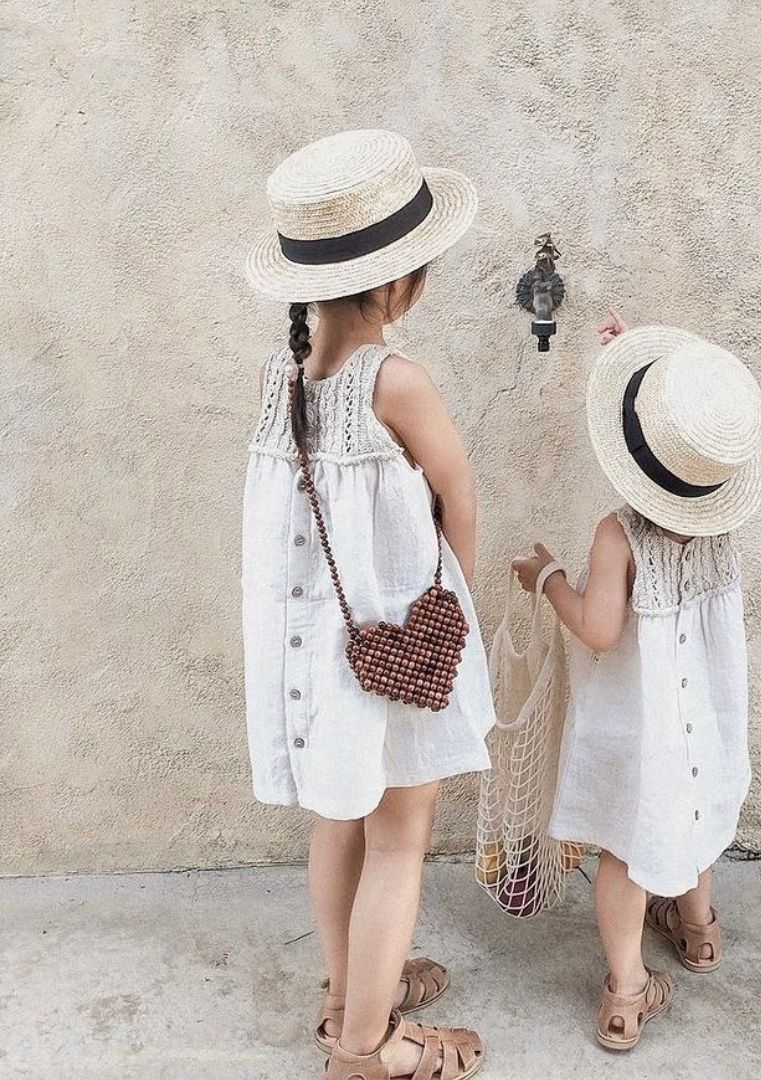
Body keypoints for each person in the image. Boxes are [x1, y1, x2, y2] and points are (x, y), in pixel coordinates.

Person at [243, 129, 493, 1080]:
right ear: (399, 285)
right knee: (399, 837)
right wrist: (453, 622)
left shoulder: (281, 384)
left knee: (338, 820)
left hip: (320, 656)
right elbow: (458, 498)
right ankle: (366, 1047)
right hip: (396, 650)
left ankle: (350, 993)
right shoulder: (398, 383)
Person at [512, 312, 761, 1050]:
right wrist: (634, 351)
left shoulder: (617, 535)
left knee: (624, 850)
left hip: (641, 724)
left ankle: (626, 993)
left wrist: (549, 578)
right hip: (704, 717)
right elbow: (694, 427)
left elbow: (598, 631)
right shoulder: (719, 525)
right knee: (695, 815)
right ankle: (699, 930)